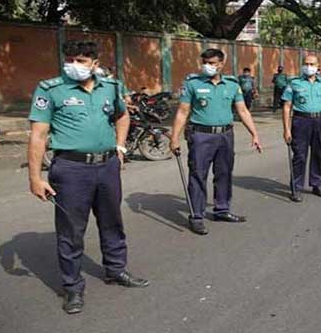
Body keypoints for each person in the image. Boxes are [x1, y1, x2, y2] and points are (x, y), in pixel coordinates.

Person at [27, 40, 149, 315]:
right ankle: (72, 287)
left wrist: (120, 146)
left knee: (112, 222)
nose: (74, 65)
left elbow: (122, 116)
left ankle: (116, 270)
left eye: (81, 60)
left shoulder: (112, 87)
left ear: (95, 63)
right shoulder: (51, 89)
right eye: (69, 59)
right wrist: (35, 177)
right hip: (70, 170)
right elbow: (38, 134)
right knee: (71, 231)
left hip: (107, 167)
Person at [170, 49, 263, 235]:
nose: (207, 65)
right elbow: (182, 111)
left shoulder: (231, 84)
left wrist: (255, 134)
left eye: (212, 62)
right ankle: (196, 216)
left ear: (221, 64)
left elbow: (242, 110)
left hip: (225, 136)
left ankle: (222, 209)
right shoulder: (193, 84)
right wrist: (174, 137)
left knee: (224, 173)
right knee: (198, 174)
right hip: (201, 136)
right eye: (205, 62)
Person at [282, 54, 321, 203]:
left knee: (319, 154)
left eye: (312, 64)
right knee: (299, 156)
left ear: (318, 66)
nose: (308, 67)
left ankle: (317, 184)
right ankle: (296, 187)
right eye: (306, 64)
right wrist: (286, 129)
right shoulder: (294, 83)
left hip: (319, 120)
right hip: (300, 121)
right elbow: (287, 107)